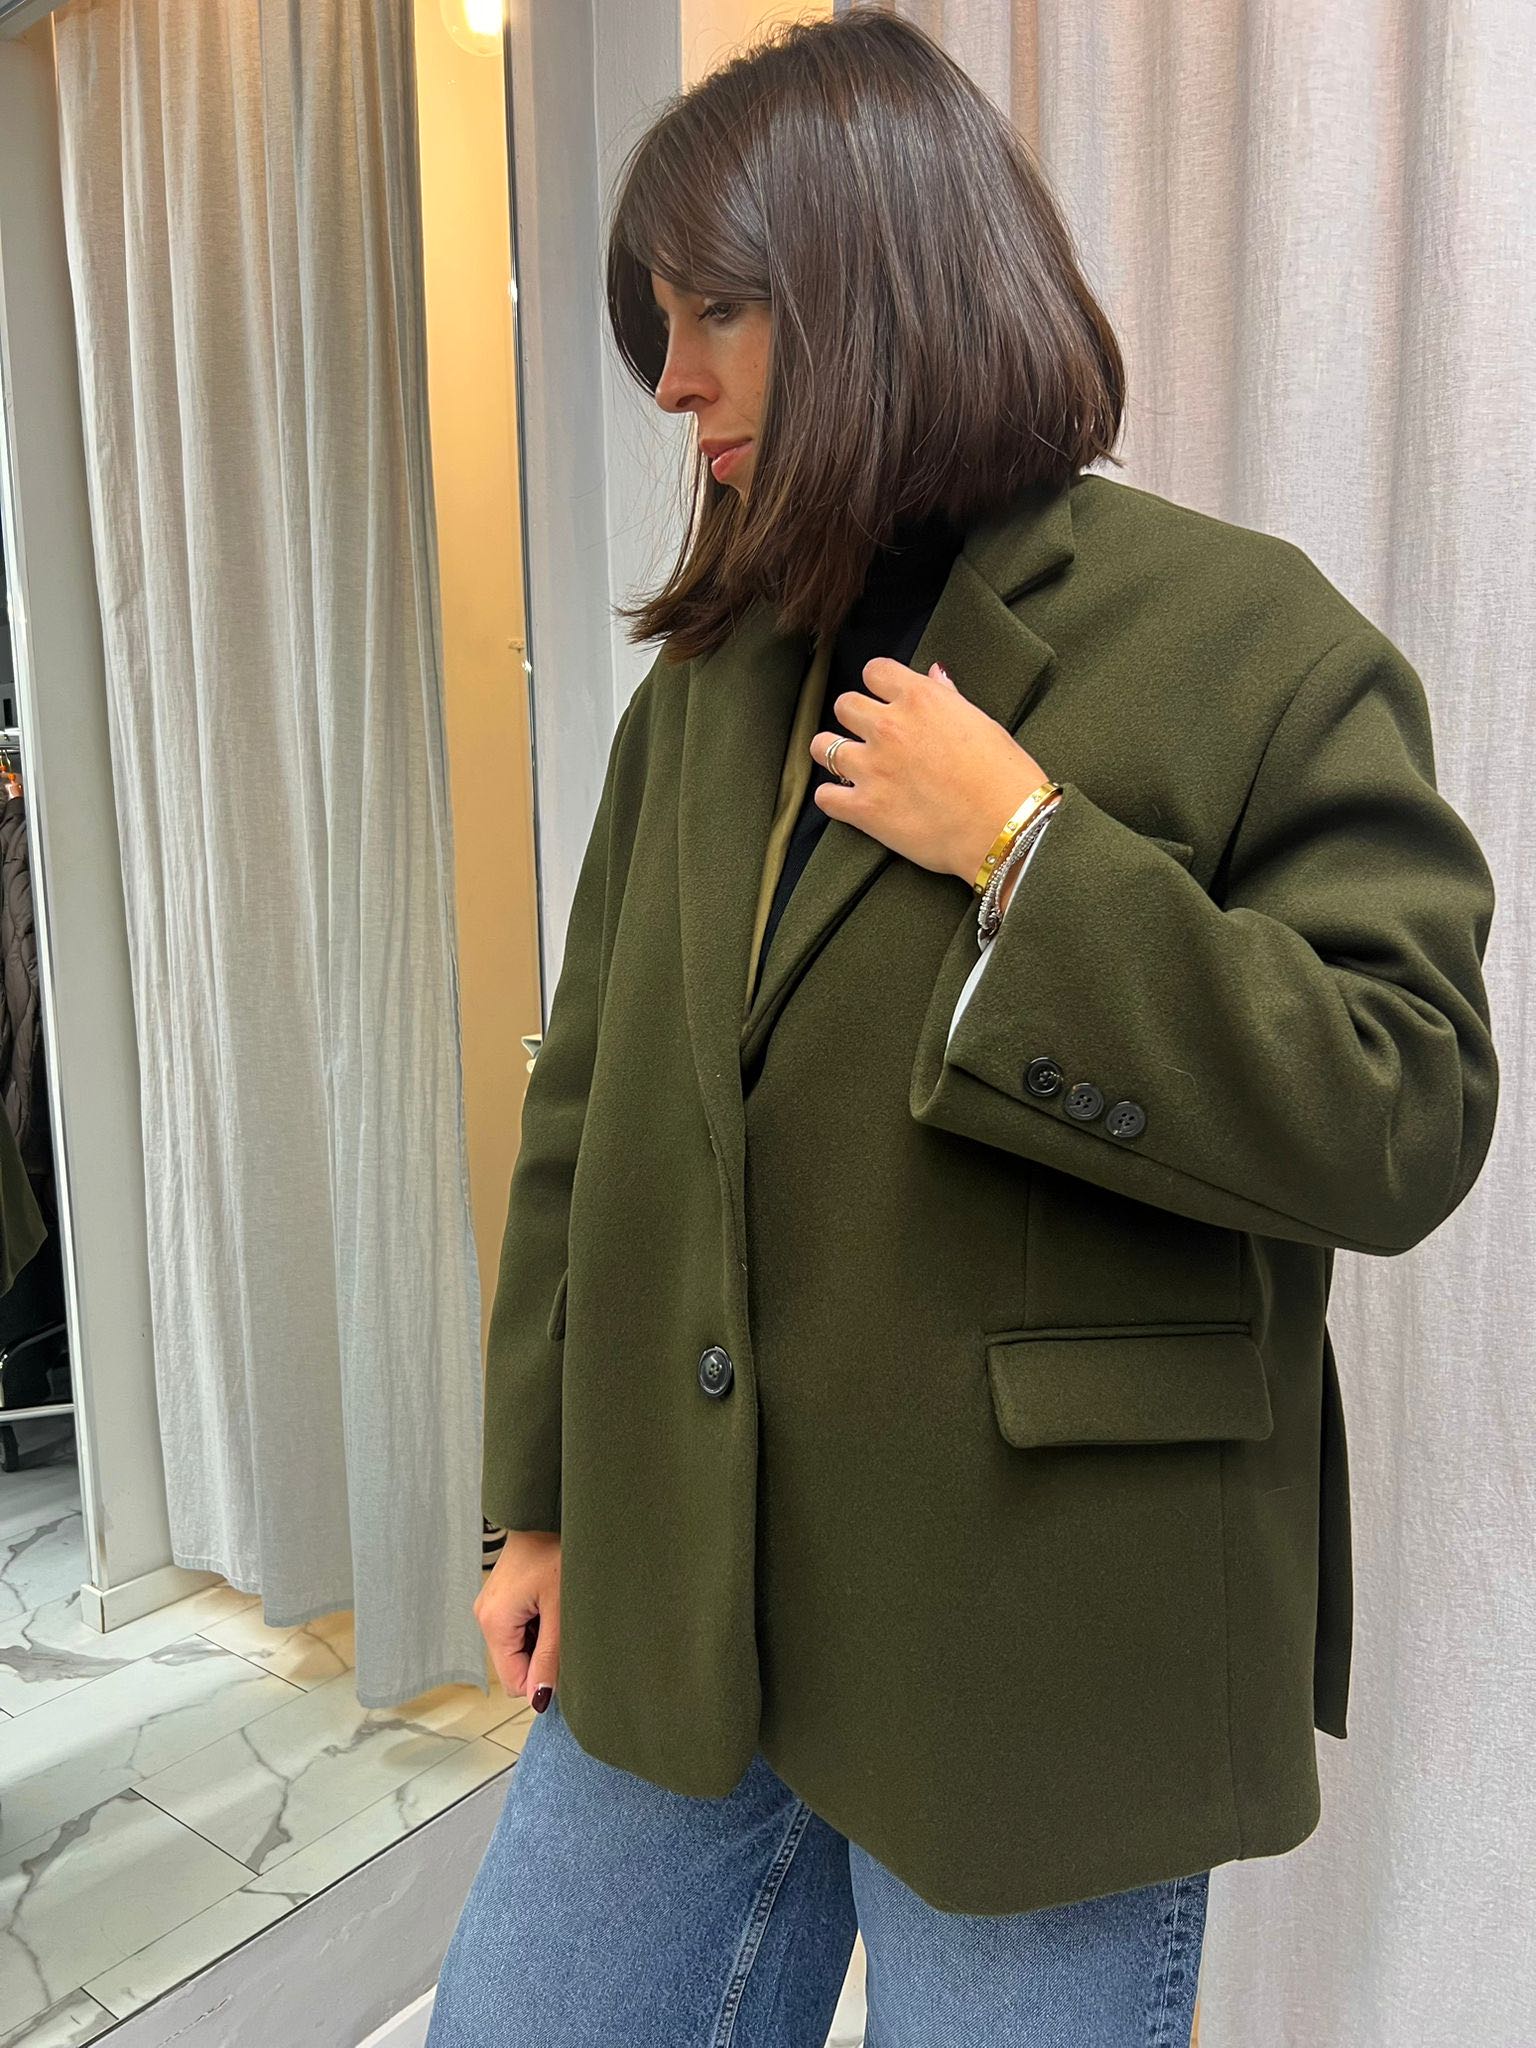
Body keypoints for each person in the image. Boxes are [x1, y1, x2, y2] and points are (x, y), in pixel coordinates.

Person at [426, 13, 1498, 2046]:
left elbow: (1407, 1106)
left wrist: (1026, 851)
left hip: (1035, 1641)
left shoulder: (1249, 642)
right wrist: (540, 1495)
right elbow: (592, 1113)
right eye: (660, 322)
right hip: (686, 1587)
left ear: (880, 284)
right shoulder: (709, 687)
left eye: (720, 311)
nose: (671, 380)